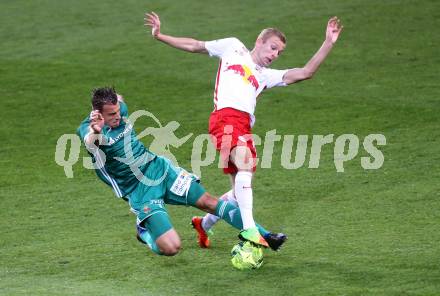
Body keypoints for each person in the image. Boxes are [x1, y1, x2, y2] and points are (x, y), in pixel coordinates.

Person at [144, 12, 343, 248]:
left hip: (243, 125)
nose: (274, 55)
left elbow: (305, 72)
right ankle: (250, 230)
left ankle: (203, 224)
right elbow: (196, 45)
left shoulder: (265, 76)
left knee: (239, 191)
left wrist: (328, 43)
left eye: (279, 53)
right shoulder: (233, 47)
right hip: (225, 118)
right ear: (259, 41)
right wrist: (160, 36)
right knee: (246, 165)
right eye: (272, 48)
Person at [76, 87, 286, 256]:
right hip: (139, 190)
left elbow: (118, 99)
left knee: (208, 201)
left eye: (117, 110)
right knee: (171, 247)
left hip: (159, 169)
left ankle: (264, 235)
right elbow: (89, 140)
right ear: (97, 114)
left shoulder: (119, 108)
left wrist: (116, 101)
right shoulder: (89, 129)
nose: (118, 117)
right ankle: (144, 233)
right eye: (111, 115)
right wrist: (96, 129)